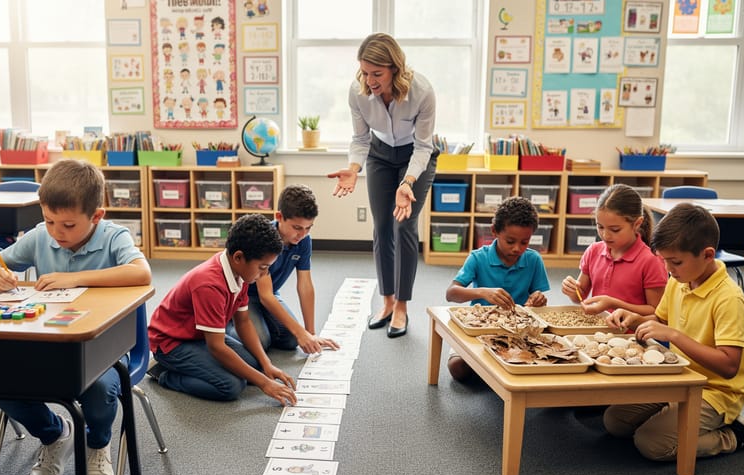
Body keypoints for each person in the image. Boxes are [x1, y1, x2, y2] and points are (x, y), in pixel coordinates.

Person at [0, 159, 151, 475]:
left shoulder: (113, 236)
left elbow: (141, 273)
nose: (57, 232)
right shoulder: (40, 236)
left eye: (69, 225)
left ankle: (97, 445)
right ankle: (54, 434)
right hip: (49, 341)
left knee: (99, 389)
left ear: (96, 216)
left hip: (104, 345)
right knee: (1, 383)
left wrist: (74, 278)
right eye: (49, 221)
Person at [605, 203, 744, 459]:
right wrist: (634, 318)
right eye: (664, 261)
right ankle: (674, 415)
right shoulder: (679, 280)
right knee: (615, 422)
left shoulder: (729, 299)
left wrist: (674, 335)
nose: (667, 270)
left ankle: (733, 435)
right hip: (677, 378)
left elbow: (729, 366)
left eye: (675, 262)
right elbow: (660, 317)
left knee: (651, 443)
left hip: (714, 392)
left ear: (708, 255)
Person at [327, 32, 438, 339]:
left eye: (377, 74)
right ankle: (386, 302)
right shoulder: (358, 92)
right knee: (382, 228)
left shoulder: (422, 91)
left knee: (404, 226)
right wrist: (353, 168)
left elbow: (423, 146)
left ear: (395, 69)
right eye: (365, 72)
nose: (370, 80)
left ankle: (402, 306)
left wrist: (407, 182)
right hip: (378, 154)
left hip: (415, 158)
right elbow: (361, 139)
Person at [147, 214, 297, 405]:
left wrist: (267, 364)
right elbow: (217, 347)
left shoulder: (241, 272)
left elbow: (243, 322)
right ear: (238, 257)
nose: (264, 274)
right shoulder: (209, 284)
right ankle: (164, 374)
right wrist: (265, 383)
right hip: (171, 343)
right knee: (231, 386)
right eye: (262, 267)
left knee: (255, 366)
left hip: (202, 334)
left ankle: (199, 365)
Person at [444, 197, 550, 381]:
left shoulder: (533, 259)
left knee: (543, 360)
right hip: (480, 329)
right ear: (494, 231)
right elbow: (451, 293)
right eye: (510, 241)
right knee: (457, 368)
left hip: (517, 329)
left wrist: (538, 299)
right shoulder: (478, 258)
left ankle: (495, 369)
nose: (517, 248)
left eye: (524, 242)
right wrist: (482, 292)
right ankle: (494, 370)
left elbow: (537, 297)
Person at [227, 185, 340, 354]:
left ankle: (260, 323)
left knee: (292, 340)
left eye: (308, 228)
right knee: (261, 341)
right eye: (297, 228)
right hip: (245, 297)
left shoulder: (304, 241)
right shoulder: (265, 240)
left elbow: (305, 286)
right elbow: (265, 297)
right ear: (279, 217)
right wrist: (301, 332)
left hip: (271, 295)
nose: (302, 234)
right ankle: (228, 322)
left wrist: (310, 333)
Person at [561, 183, 666, 316]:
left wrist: (614, 304)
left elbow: (656, 313)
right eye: (600, 227)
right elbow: (580, 297)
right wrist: (572, 289)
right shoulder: (594, 251)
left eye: (615, 229)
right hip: (598, 331)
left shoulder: (651, 260)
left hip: (631, 334)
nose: (605, 235)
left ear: (637, 224)